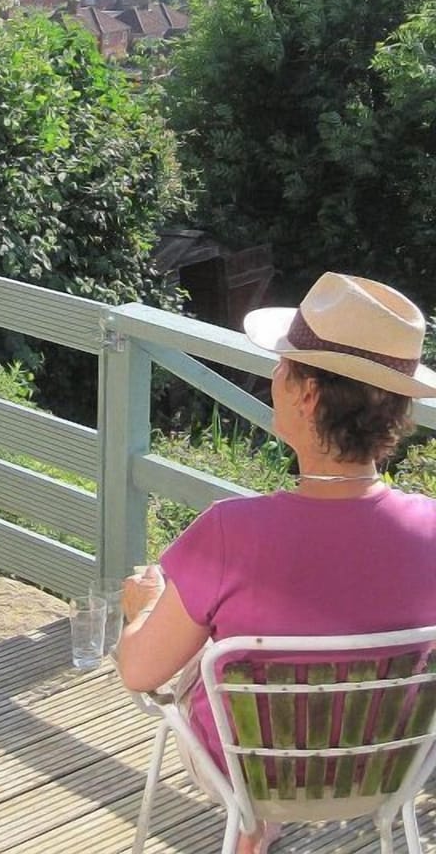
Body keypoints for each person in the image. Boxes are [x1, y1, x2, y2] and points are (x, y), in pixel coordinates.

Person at [117, 272, 436, 854]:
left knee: (205, 662)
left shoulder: (230, 533)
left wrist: (143, 610)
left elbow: (139, 673)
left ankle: (257, 823)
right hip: (389, 773)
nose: (274, 378)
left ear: (308, 394)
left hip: (250, 776)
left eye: (284, 366)